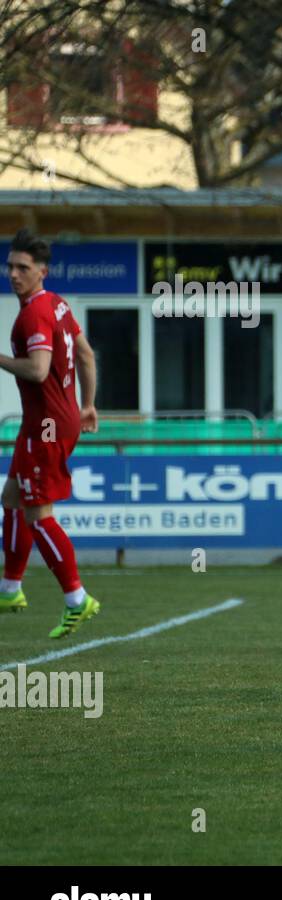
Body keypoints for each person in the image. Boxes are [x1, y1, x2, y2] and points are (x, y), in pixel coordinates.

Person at [0, 229, 101, 637]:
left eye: (23, 268)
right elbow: (86, 353)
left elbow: (39, 370)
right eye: (10, 266)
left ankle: (77, 599)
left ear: (42, 272)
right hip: (52, 421)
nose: (13, 274)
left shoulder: (33, 314)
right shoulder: (56, 304)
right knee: (11, 497)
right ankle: (10, 588)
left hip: (46, 427)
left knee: (38, 514)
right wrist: (89, 404)